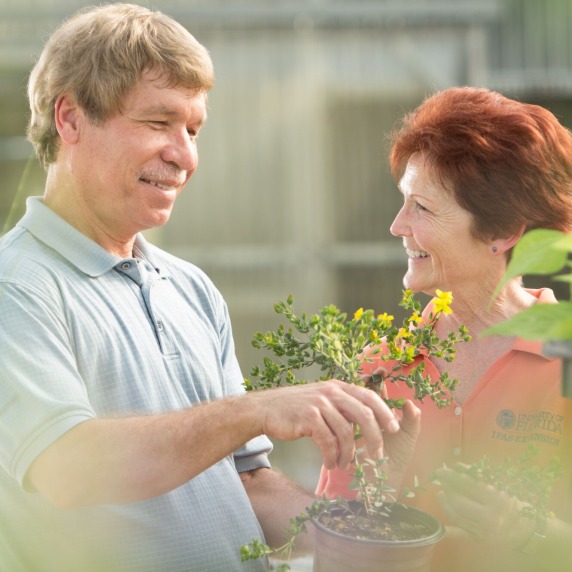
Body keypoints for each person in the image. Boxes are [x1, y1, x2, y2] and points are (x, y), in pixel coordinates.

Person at [0, 4, 417, 571]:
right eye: (157, 123)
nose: (185, 155)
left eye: (193, 129)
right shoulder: (17, 286)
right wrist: (252, 411)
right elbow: (67, 469)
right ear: (70, 119)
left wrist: (366, 529)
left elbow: (247, 488)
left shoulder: (189, 287)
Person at [316, 87, 572, 572]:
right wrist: (377, 498)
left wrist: (527, 531)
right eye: (403, 202)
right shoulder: (377, 368)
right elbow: (332, 560)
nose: (396, 226)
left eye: (423, 208)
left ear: (504, 232)